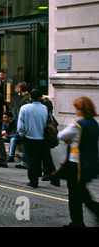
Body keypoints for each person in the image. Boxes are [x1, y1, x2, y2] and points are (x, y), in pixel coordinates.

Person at [54, 97, 99, 227]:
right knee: (81, 191)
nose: (76, 111)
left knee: (75, 194)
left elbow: (60, 136)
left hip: (75, 164)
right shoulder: (94, 123)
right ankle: (79, 220)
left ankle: (77, 221)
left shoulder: (77, 124)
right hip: (89, 162)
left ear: (82, 110)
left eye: (77, 108)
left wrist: (71, 141)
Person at [18, 88, 58, 188]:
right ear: (40, 97)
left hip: (29, 138)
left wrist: (23, 135)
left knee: (32, 160)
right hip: (43, 138)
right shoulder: (45, 108)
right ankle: (55, 179)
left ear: (30, 96)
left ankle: (34, 181)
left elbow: (20, 127)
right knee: (47, 159)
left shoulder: (24, 108)